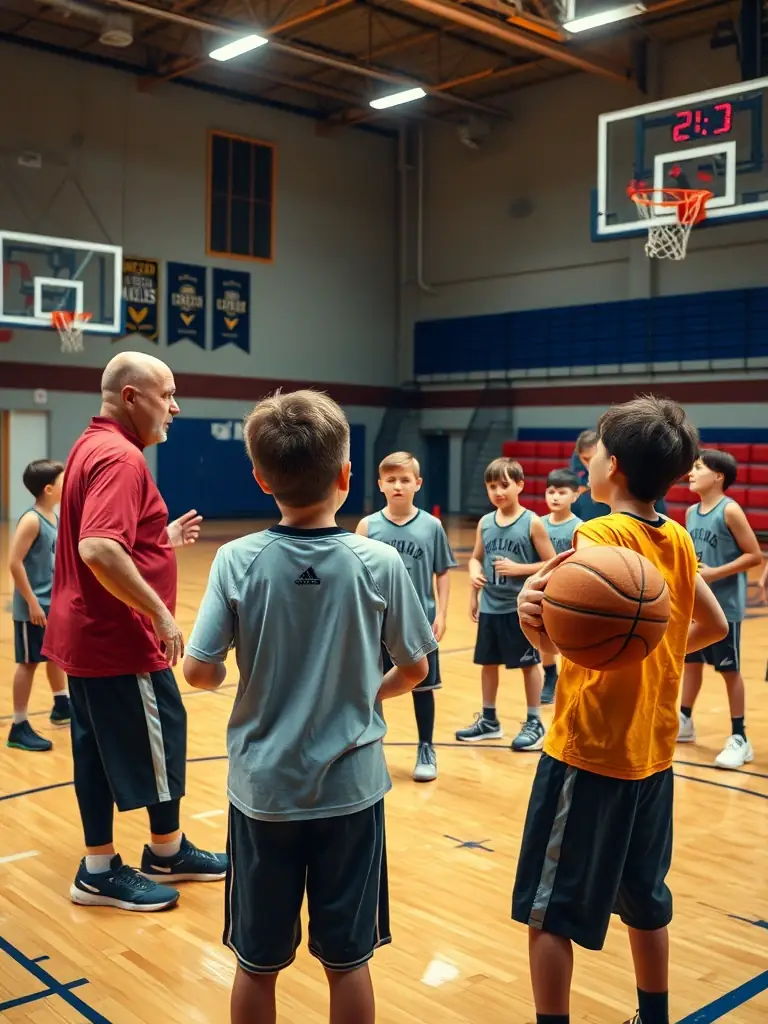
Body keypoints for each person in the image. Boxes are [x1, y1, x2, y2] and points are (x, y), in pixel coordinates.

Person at [183, 390, 435, 1024]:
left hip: (264, 793)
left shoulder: (235, 559)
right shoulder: (377, 560)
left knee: (255, 962)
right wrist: (362, 691)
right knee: (349, 962)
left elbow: (200, 672)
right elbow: (416, 669)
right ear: (349, 478)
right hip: (351, 792)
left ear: (261, 477)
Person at [512, 396, 728, 1024]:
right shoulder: (680, 539)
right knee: (646, 900)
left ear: (614, 467)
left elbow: (553, 639)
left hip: (588, 750)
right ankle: (653, 1016)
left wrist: (540, 631)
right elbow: (710, 626)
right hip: (652, 755)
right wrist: (646, 652)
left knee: (547, 912)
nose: (589, 462)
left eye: (597, 451)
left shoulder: (597, 535)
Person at [42, 351, 226, 912]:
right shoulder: (122, 458)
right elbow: (98, 547)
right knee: (163, 738)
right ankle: (162, 853)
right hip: (117, 639)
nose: (175, 407)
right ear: (131, 397)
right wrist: (161, 614)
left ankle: (103, 866)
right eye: (166, 395)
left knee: (95, 752)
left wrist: (155, 540)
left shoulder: (90, 444)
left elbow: (106, 537)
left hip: (86, 634)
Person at [356, 451, 456, 782]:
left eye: (405, 479)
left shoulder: (432, 526)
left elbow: (442, 572)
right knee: (371, 686)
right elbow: (354, 576)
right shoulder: (368, 526)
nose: (398, 485)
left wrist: (441, 613)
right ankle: (371, 748)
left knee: (422, 687)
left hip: (419, 621)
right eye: (391, 480)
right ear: (380, 485)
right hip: (375, 623)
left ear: (418, 483)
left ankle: (426, 746)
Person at [456, 457, 555, 752]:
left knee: (528, 664)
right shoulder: (485, 523)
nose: (498, 492)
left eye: (504, 485)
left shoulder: (531, 522)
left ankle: (535, 721)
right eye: (491, 486)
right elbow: (475, 557)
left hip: (519, 608)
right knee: (488, 663)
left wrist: (519, 569)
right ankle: (489, 720)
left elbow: (552, 561)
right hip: (490, 605)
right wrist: (474, 577)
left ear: (519, 485)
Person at [678, 449, 763, 768]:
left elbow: (754, 556)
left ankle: (740, 736)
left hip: (724, 608)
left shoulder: (730, 511)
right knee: (691, 664)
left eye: (698, 468)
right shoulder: (690, 513)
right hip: (696, 605)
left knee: (729, 670)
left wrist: (715, 572)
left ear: (718, 476)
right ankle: (684, 721)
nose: (691, 473)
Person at [7, 459, 69, 752]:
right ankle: (18, 726)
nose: (66, 484)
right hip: (33, 606)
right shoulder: (32, 520)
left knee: (55, 655)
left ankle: (61, 704)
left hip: (52, 604)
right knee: (29, 663)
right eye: (62, 481)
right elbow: (14, 562)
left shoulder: (54, 517)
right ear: (48, 489)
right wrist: (32, 603)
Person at [539, 468, 581, 705]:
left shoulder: (579, 527)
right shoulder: (538, 524)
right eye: (551, 491)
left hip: (569, 592)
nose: (555, 497)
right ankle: (549, 675)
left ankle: (570, 677)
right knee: (543, 637)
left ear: (575, 496)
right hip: (543, 591)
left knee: (569, 640)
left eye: (562, 492)